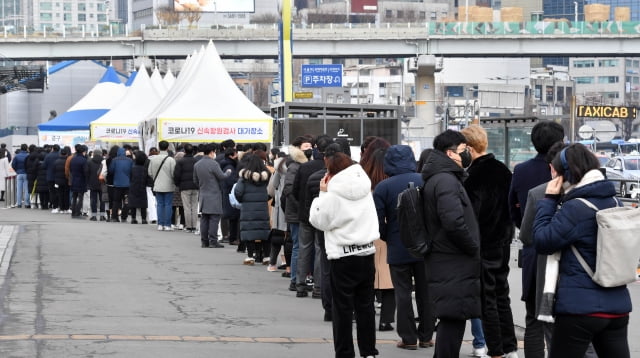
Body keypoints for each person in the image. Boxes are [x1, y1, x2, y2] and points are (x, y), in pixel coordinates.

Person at [533, 143, 631, 358]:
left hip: (580, 309)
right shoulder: (614, 201)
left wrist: (548, 201)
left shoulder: (577, 207)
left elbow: (542, 240)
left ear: (566, 174)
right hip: (617, 306)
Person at [309, 145, 379, 358]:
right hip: (367, 252)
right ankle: (368, 352)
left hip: (343, 256)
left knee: (343, 310)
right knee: (365, 306)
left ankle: (345, 352)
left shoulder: (333, 193)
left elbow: (319, 221)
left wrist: (321, 194)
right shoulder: (364, 187)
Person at [421, 130, 481, 357]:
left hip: (446, 257)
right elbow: (453, 221)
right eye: (464, 150)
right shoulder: (446, 179)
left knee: (452, 317)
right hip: (453, 259)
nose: (467, 155)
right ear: (450, 153)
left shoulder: (440, 176)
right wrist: (472, 245)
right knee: (453, 318)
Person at [461, 125, 518, 358]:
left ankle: (496, 350)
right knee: (502, 295)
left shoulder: (473, 176)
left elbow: (470, 215)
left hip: (483, 245)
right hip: (503, 242)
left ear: (470, 148)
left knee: (487, 299)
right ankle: (510, 348)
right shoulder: (504, 170)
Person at [508, 120, 564, 358]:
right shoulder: (573, 170)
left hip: (534, 251)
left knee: (533, 318)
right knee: (563, 321)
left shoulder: (522, 170)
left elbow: (513, 209)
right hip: (566, 251)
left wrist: (528, 226)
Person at [373, 144, 435, 350]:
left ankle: (408, 338)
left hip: (398, 246)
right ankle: (427, 335)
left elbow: (378, 221)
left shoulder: (383, 187)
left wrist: (388, 237)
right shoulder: (425, 181)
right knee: (426, 292)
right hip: (425, 247)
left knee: (403, 292)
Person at [360, 140, 395, 333]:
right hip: (389, 230)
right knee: (390, 276)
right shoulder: (391, 179)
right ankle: (386, 320)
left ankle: (363, 314)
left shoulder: (361, 177)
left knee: (367, 275)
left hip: (365, 231)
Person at [293, 135, 333, 298]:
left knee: (303, 248)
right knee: (319, 249)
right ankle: (318, 287)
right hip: (322, 216)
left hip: (305, 214)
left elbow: (294, 191)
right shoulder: (331, 169)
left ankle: (300, 284)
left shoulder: (304, 167)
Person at [282, 136, 313, 292]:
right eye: (305, 146)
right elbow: (288, 189)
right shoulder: (294, 166)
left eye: (310, 146)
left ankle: (300, 278)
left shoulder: (303, 165)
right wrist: (300, 206)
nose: (309, 149)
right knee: (297, 246)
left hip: (299, 212)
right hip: (296, 213)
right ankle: (295, 279)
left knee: (302, 247)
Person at [234, 153, 272, 265]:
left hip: (248, 208)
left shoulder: (244, 178)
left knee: (249, 232)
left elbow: (238, 192)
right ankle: (266, 257)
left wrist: (243, 200)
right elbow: (271, 191)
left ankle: (250, 256)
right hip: (263, 208)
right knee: (264, 232)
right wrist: (265, 199)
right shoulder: (267, 177)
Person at [193, 144, 231, 248]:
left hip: (203, 194)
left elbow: (195, 180)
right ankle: (213, 241)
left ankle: (204, 241)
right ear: (211, 152)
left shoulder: (197, 164)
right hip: (214, 194)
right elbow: (222, 176)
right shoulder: (213, 164)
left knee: (204, 218)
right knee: (214, 218)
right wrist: (228, 172)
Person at [148, 141, 176, 231]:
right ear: (167, 148)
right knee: (168, 205)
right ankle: (167, 225)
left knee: (159, 205)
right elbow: (173, 174)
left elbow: (150, 173)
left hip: (157, 185)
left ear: (159, 148)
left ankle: (160, 224)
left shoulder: (153, 159)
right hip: (169, 185)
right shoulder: (171, 160)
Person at [174, 144, 198, 233]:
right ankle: (194, 226)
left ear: (184, 151)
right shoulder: (196, 161)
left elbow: (176, 175)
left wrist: (178, 184)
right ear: (193, 151)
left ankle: (189, 227)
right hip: (195, 186)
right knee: (194, 207)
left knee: (187, 207)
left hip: (184, 187)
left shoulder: (180, 162)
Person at [109, 147, 133, 223]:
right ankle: (124, 217)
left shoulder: (114, 160)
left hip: (117, 184)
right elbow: (132, 171)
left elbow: (111, 171)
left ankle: (114, 217)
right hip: (127, 185)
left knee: (116, 201)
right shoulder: (130, 161)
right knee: (126, 201)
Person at [128, 151, 149, 224]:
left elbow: (130, 177)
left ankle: (133, 218)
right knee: (143, 203)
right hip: (142, 186)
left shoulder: (133, 168)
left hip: (133, 186)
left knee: (133, 202)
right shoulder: (145, 169)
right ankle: (144, 219)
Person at [86, 150, 107, 221]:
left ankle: (94, 216)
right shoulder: (104, 162)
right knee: (102, 200)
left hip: (92, 183)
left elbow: (87, 173)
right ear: (101, 154)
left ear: (94, 154)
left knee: (93, 200)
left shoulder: (89, 162)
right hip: (102, 183)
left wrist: (88, 182)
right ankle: (102, 216)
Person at [69, 145, 88, 218]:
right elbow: (85, 172)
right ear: (83, 152)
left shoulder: (73, 159)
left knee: (74, 197)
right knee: (80, 197)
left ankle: (73, 212)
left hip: (74, 180)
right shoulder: (83, 160)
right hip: (81, 181)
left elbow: (70, 170)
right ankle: (77, 212)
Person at [12, 144, 30, 208]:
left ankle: (19, 203)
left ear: (21, 148)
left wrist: (17, 171)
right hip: (26, 173)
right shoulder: (28, 155)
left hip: (19, 174)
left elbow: (13, 165)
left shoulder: (17, 156)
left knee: (19, 189)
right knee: (26, 189)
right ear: (26, 148)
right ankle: (27, 203)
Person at [44, 144, 60, 212]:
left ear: (52, 149)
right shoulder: (60, 155)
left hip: (50, 177)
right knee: (59, 192)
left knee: (52, 192)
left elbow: (44, 166)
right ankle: (59, 205)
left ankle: (54, 206)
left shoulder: (48, 156)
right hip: (59, 177)